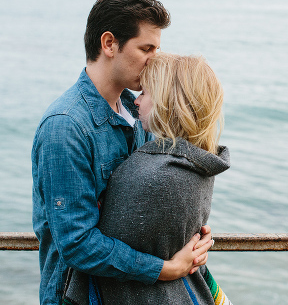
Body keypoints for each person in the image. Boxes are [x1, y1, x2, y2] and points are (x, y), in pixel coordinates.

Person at [31, 0, 212, 305]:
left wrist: (188, 235)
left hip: (128, 294)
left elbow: (146, 200)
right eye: (146, 48)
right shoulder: (66, 126)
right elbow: (76, 243)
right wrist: (164, 268)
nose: (154, 59)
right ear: (109, 44)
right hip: (78, 296)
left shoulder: (138, 110)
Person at [63, 53, 231, 304]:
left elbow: (99, 241)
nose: (137, 101)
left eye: (145, 93)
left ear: (166, 102)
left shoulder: (152, 174)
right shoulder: (199, 162)